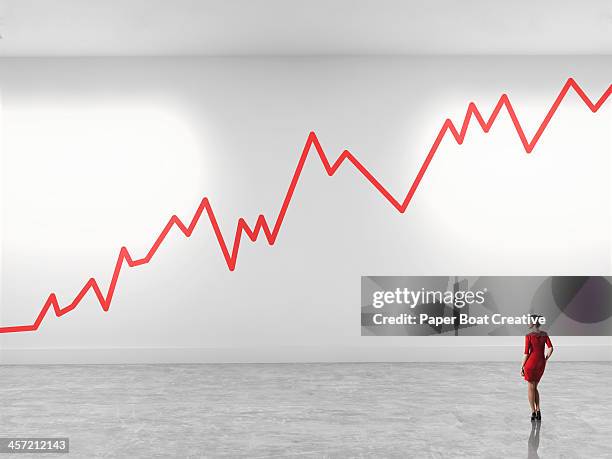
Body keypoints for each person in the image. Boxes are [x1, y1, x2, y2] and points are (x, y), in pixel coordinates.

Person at [521, 314, 553, 421]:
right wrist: (545, 359)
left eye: (529, 321)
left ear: (534, 322)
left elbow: (526, 353)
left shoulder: (529, 336)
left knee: (530, 388)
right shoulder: (544, 334)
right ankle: (539, 410)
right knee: (535, 387)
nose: (527, 323)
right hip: (541, 363)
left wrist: (522, 366)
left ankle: (533, 412)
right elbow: (551, 348)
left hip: (530, 363)